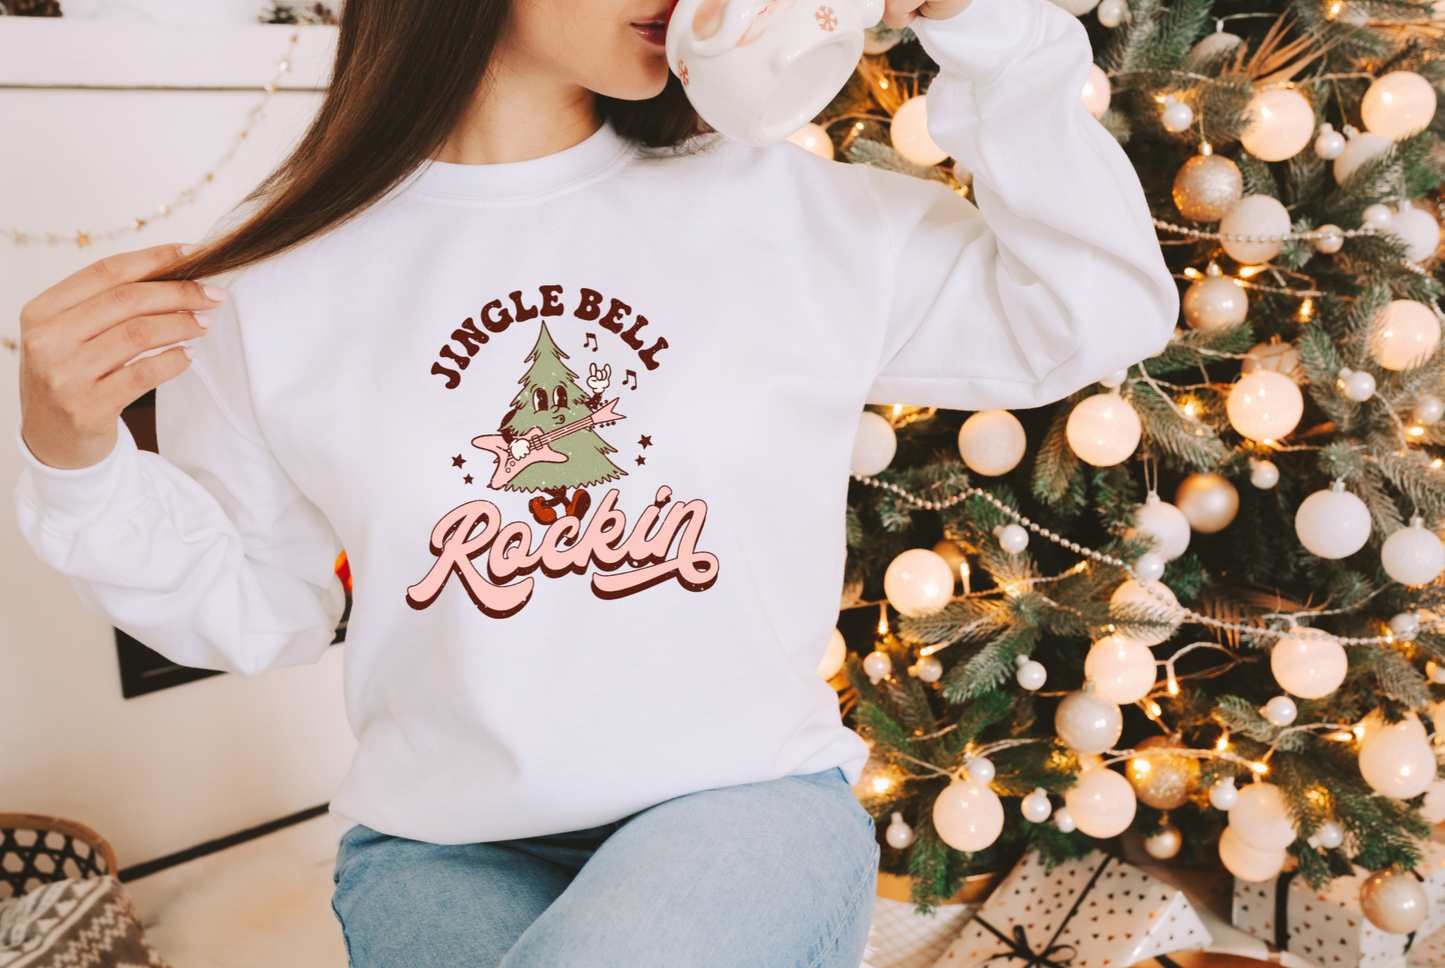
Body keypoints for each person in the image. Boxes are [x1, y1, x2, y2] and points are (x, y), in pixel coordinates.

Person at [13, 0, 1178, 962]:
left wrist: (992, 31)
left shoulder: (789, 213)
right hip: (437, 842)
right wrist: (75, 457)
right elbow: (261, 610)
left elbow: (1092, 310)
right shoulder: (277, 275)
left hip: (739, 803)